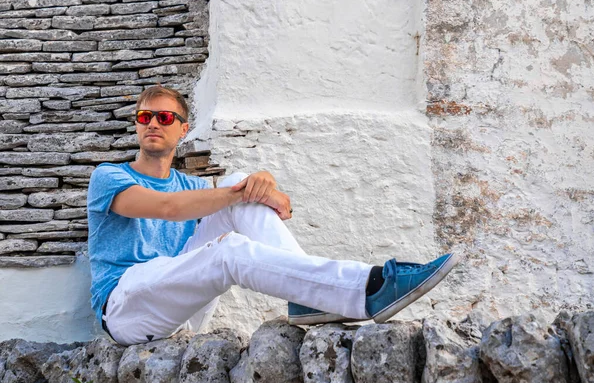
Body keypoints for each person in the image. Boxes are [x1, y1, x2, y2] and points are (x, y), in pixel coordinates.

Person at [87, 86, 460, 346]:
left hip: (180, 303)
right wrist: (244, 188)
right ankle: (366, 288)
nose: (154, 123)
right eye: (145, 116)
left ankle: (313, 298)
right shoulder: (109, 176)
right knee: (230, 239)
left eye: (165, 117)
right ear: (137, 124)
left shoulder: (192, 186)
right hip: (127, 307)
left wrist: (264, 185)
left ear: (182, 129)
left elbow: (279, 207)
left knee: (238, 187)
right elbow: (166, 209)